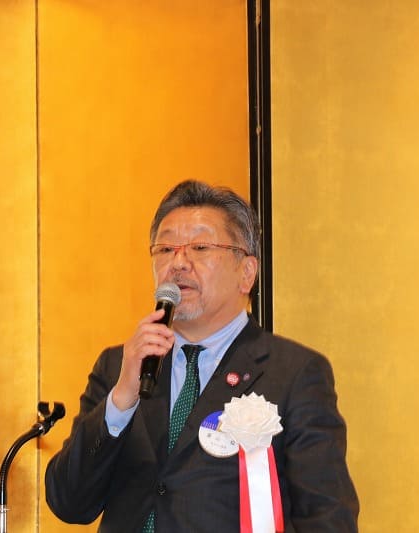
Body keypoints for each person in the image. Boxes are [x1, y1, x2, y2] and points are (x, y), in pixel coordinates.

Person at [45, 180, 358, 532]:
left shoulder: (293, 373)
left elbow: (326, 517)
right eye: (165, 249)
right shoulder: (121, 366)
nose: (178, 263)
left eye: (200, 247)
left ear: (246, 273)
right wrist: (120, 401)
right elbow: (69, 502)